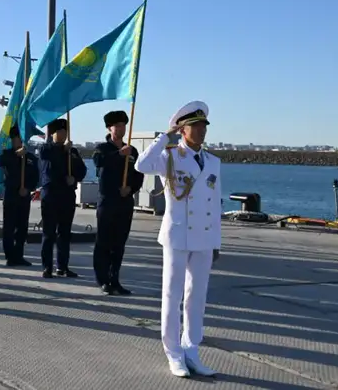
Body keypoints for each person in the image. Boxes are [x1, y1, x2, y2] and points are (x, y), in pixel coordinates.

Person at [136, 101, 221, 378]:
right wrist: (164, 137)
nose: (201, 131)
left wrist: (216, 242)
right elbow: (141, 165)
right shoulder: (169, 157)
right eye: (195, 126)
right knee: (172, 296)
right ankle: (173, 353)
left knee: (197, 296)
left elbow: (215, 205)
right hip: (177, 234)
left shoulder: (213, 162)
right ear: (183, 130)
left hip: (204, 238)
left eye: (203, 126)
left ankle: (191, 349)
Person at [92, 110, 144, 295]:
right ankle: (103, 279)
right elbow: (98, 162)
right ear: (109, 128)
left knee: (119, 244)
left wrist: (130, 188)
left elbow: (139, 174)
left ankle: (115, 279)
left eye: (123, 125)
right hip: (107, 201)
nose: (121, 129)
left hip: (125, 202)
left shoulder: (132, 151)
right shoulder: (102, 148)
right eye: (118, 126)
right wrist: (118, 155)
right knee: (104, 242)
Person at [37, 118, 87, 279]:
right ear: (52, 133)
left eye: (65, 131)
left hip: (67, 195)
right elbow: (50, 165)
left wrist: (75, 178)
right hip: (51, 195)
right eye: (60, 131)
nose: (63, 134)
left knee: (64, 234)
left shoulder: (72, 151)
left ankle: (63, 266)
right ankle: (47, 267)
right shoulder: (46, 148)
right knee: (49, 233)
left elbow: (82, 170)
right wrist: (62, 151)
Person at [0, 126, 39, 266]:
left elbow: (35, 177)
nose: (19, 142)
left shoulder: (31, 157)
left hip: (24, 195)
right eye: (16, 139)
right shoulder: (7, 154)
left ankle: (19, 255)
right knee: (9, 227)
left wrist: (28, 188)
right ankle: (10, 255)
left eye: (21, 139)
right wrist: (16, 155)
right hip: (11, 195)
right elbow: (0, 162)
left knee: (22, 227)